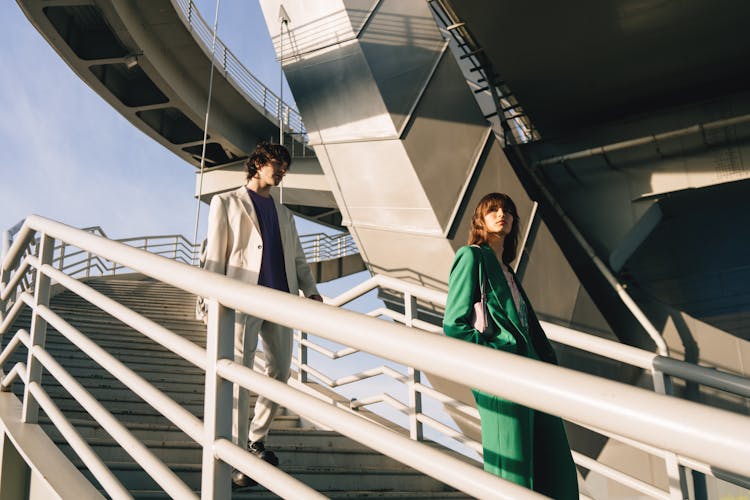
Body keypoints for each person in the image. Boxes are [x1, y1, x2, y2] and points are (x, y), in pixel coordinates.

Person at [443, 192, 578, 498]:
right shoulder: (471, 256)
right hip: (500, 372)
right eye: (493, 210)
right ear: (481, 218)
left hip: (533, 371)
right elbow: (455, 325)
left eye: (507, 210)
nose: (501, 213)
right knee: (512, 465)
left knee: (554, 465)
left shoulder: (508, 272)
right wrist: (495, 358)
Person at [204, 142, 323, 488]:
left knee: (281, 371)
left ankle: (257, 437)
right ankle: (240, 450)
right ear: (257, 164)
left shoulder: (285, 214)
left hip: (280, 299)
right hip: (242, 298)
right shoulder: (226, 202)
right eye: (277, 164)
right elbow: (215, 254)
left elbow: (298, 258)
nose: (282, 170)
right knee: (240, 373)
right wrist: (211, 297)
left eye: (285, 166)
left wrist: (311, 289)